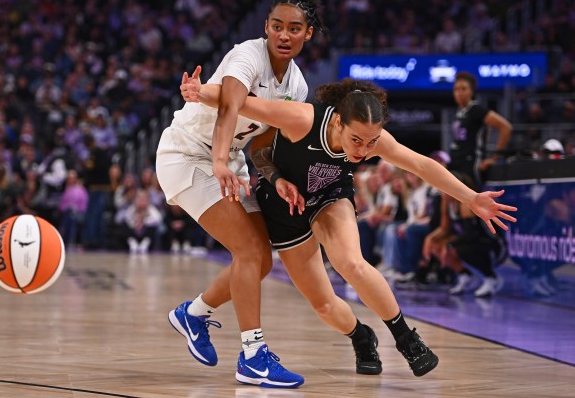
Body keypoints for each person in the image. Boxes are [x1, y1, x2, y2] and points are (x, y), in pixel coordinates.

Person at [184, 74, 518, 379]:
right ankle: (361, 335)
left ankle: (406, 338)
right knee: (324, 305)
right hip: (283, 205)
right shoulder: (302, 119)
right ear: (339, 122)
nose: (363, 151)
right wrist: (200, 92)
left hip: (331, 194)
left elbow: (420, 164)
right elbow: (241, 101)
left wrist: (471, 197)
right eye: (357, 140)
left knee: (351, 263)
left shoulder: (373, 141)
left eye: (371, 143)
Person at [156, 0, 326, 388]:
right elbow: (231, 106)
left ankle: (193, 314)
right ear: (266, 27)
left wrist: (278, 178)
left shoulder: (297, 86)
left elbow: (266, 145)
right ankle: (253, 355)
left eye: (294, 28)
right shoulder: (246, 55)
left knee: (261, 260)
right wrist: (218, 161)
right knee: (249, 250)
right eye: (277, 26)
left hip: (229, 161)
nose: (284, 35)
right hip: (188, 154)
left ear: (309, 34)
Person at [450, 71, 512, 189]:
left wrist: (495, 157)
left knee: (466, 202)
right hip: (457, 161)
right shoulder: (459, 111)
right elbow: (485, 132)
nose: (459, 92)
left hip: (470, 163)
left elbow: (505, 127)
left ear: (471, 91)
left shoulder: (476, 109)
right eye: (456, 89)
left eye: (463, 89)